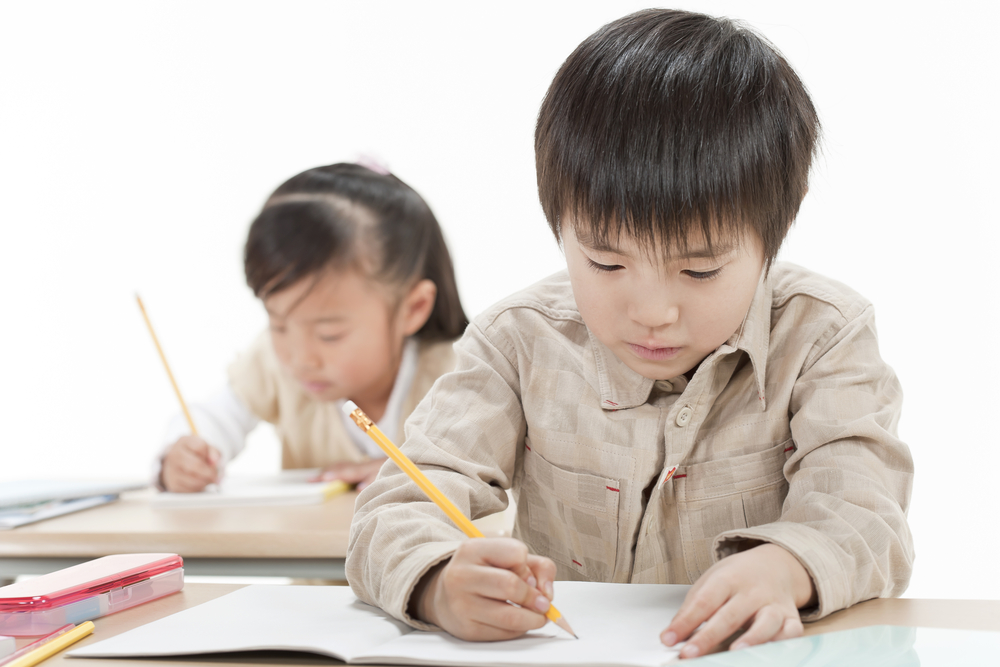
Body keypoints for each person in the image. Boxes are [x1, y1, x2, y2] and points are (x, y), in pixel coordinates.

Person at [346, 9, 914, 659]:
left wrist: (786, 566)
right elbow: (395, 505)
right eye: (606, 263)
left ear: (777, 223)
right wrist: (438, 583)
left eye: (699, 269)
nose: (652, 310)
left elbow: (868, 516)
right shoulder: (519, 338)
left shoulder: (823, 335)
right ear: (558, 224)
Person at [156, 162, 468, 493]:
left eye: (328, 334)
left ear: (413, 308)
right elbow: (217, 417)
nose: (301, 358)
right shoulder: (272, 362)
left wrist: (428, 471)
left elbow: (496, 470)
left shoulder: (460, 374)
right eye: (278, 325)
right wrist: (184, 455)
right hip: (307, 546)